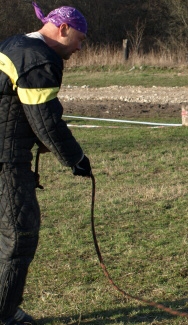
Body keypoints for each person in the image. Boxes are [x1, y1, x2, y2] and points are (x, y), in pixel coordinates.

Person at [0, 2, 92, 324]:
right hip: (6, 161)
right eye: (79, 39)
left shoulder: (13, 44)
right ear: (62, 29)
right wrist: (76, 159)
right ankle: (4, 314)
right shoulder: (38, 58)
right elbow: (46, 123)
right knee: (19, 235)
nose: (79, 48)